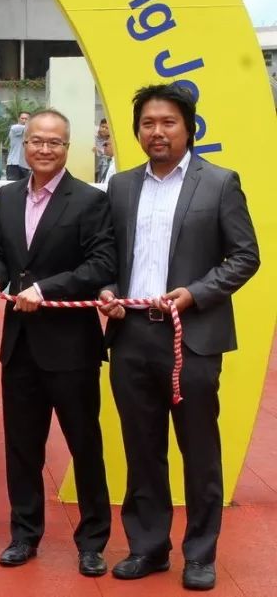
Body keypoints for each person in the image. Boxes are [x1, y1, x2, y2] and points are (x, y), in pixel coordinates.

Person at [96, 84, 259, 591]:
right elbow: (107, 257)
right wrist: (107, 289)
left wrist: (195, 292)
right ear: (137, 130)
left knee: (199, 450)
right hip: (131, 339)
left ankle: (201, 553)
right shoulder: (120, 187)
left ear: (189, 127)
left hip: (190, 340)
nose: (157, 132)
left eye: (168, 122)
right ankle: (148, 547)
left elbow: (244, 256)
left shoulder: (220, 183)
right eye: (148, 123)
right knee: (142, 449)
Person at [0, 109, 115, 576]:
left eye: (55, 142)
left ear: (67, 148)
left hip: (71, 349)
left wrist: (45, 290)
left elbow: (100, 266)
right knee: (21, 447)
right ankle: (24, 534)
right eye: (37, 141)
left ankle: (92, 541)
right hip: (20, 346)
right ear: (25, 144)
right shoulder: (9, 196)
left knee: (84, 445)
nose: (45, 149)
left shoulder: (90, 201)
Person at [5, 111, 30, 181]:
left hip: (26, 165)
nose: (24, 120)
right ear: (18, 119)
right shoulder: (15, 128)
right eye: (22, 118)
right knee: (13, 188)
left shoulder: (31, 132)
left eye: (26, 119)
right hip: (14, 165)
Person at [93, 118, 113, 182]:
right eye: (102, 126)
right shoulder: (92, 132)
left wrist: (99, 151)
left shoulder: (110, 139)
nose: (104, 129)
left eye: (107, 128)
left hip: (100, 165)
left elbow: (108, 152)